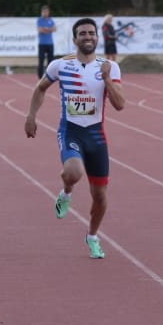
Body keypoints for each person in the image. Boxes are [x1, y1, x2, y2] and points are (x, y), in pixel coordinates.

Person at [25, 17, 126, 259]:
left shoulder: (110, 67)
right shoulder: (60, 65)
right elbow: (40, 88)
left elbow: (120, 104)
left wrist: (106, 79)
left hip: (96, 136)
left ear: (97, 38)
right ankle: (66, 192)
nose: (88, 37)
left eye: (91, 33)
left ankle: (92, 236)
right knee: (73, 172)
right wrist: (31, 116)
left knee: (100, 197)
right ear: (75, 39)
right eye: (83, 33)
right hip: (70, 131)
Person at [36, 5, 57, 79]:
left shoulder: (51, 20)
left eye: (46, 11)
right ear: (42, 12)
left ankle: (49, 76)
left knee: (51, 62)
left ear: (48, 12)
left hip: (50, 44)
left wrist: (46, 29)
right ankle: (40, 77)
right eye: (44, 12)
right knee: (41, 61)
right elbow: (40, 30)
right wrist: (49, 29)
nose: (45, 13)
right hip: (42, 44)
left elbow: (55, 29)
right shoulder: (39, 20)